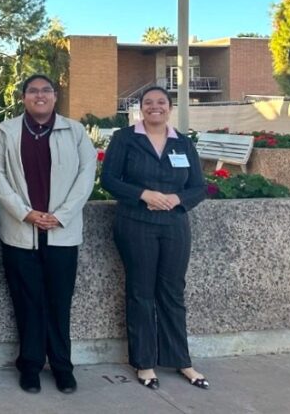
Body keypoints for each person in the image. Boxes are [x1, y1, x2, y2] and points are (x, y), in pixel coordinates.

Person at [0, 74, 96, 395]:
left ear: (54, 96)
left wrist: (59, 216)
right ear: (23, 98)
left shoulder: (75, 132)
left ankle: (62, 367)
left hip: (62, 235)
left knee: (59, 303)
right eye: (32, 91)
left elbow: (86, 175)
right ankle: (31, 366)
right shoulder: (6, 132)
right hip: (20, 233)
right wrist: (25, 212)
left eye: (45, 91)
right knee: (27, 303)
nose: (39, 96)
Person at [101, 86, 209, 391]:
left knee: (173, 292)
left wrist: (176, 198)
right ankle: (145, 362)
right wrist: (143, 194)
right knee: (141, 292)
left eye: (161, 102)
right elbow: (109, 179)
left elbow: (199, 188)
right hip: (136, 223)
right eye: (148, 103)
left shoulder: (183, 143)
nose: (154, 107)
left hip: (174, 225)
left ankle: (181, 360)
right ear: (140, 108)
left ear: (169, 107)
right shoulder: (125, 138)